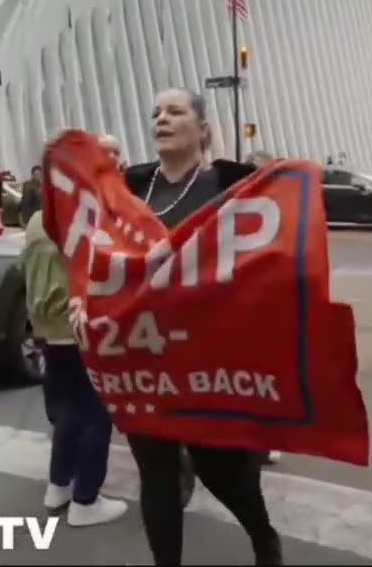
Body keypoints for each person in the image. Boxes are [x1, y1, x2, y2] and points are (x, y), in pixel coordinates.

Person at [123, 88, 283, 566]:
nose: (162, 119)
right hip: (143, 353)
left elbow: (268, 257)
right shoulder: (129, 187)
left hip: (211, 354)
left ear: (204, 128)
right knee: (156, 473)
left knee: (223, 472)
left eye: (175, 111)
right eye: (155, 112)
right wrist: (84, 301)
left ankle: (263, 538)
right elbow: (97, 253)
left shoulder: (235, 184)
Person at [23, 180, 128, 527]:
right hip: (82, 324)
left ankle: (59, 484)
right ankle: (86, 500)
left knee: (67, 410)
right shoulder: (85, 219)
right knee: (97, 414)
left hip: (47, 328)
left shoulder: (39, 218)